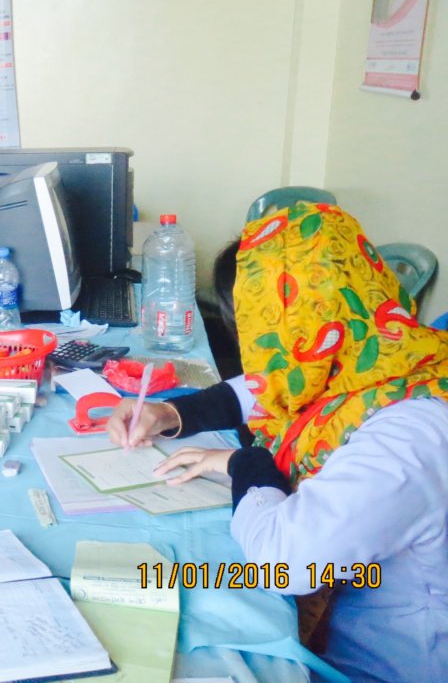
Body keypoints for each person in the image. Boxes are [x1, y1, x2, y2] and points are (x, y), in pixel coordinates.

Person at [106, 202, 448, 682]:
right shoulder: (382, 352)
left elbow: (284, 564)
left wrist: (244, 464)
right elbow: (270, 387)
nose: (257, 350)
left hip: (379, 665)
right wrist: (171, 413)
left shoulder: (411, 437)